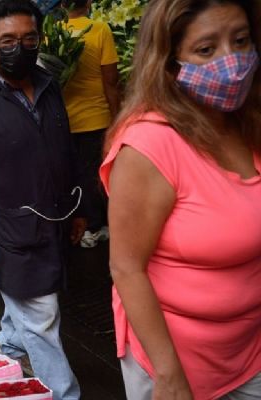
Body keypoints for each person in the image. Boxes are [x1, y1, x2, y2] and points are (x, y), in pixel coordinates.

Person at [100, 0, 261, 398]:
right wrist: (169, 375)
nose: (232, 62)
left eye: (241, 41)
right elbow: (126, 267)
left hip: (249, 351)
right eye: (206, 49)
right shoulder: (149, 146)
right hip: (175, 359)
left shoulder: (249, 124)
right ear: (169, 63)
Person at [0, 1, 85, 398]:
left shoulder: (49, 86)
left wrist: (79, 209)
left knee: (24, 306)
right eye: (7, 41)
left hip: (53, 223)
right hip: (8, 233)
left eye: (28, 39)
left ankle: (10, 351)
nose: (18, 48)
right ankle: (63, 392)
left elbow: (66, 151)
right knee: (42, 317)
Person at [61, 0, 120, 249]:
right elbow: (111, 81)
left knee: (73, 175)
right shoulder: (100, 30)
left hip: (64, 119)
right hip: (96, 117)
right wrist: (118, 118)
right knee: (95, 175)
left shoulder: (54, 34)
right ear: (88, 3)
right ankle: (94, 226)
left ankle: (83, 224)